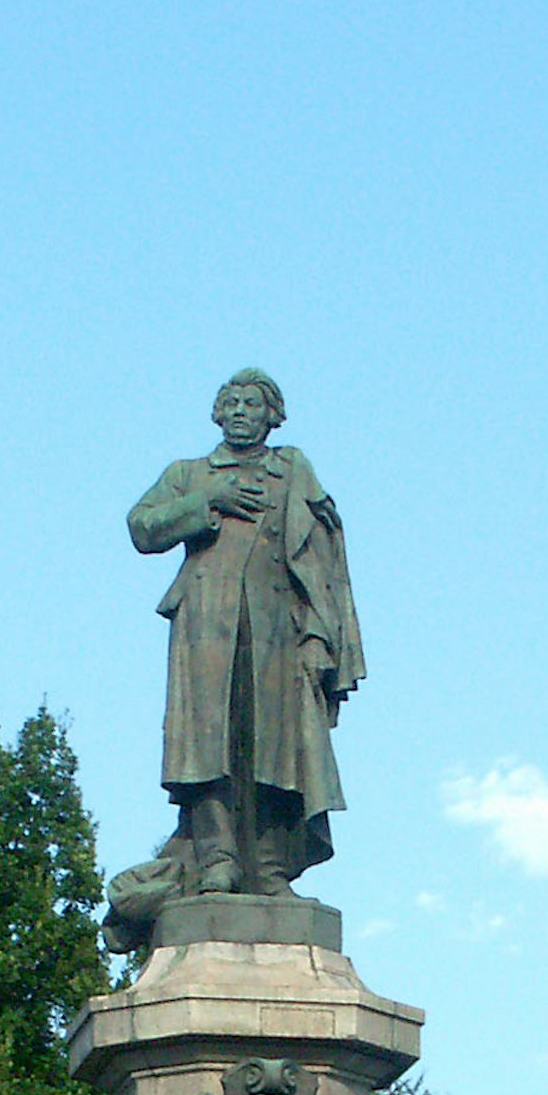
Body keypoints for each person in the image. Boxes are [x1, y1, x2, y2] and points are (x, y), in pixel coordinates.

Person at [122, 370, 364, 914]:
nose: (238, 411)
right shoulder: (190, 474)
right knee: (206, 745)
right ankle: (217, 860)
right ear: (215, 413)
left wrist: (319, 636)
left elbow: (322, 558)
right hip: (206, 625)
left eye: (251, 403)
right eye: (229, 402)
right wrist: (209, 500)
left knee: (281, 747)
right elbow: (142, 528)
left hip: (278, 626)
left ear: (272, 415)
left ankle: (271, 868)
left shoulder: (293, 469)